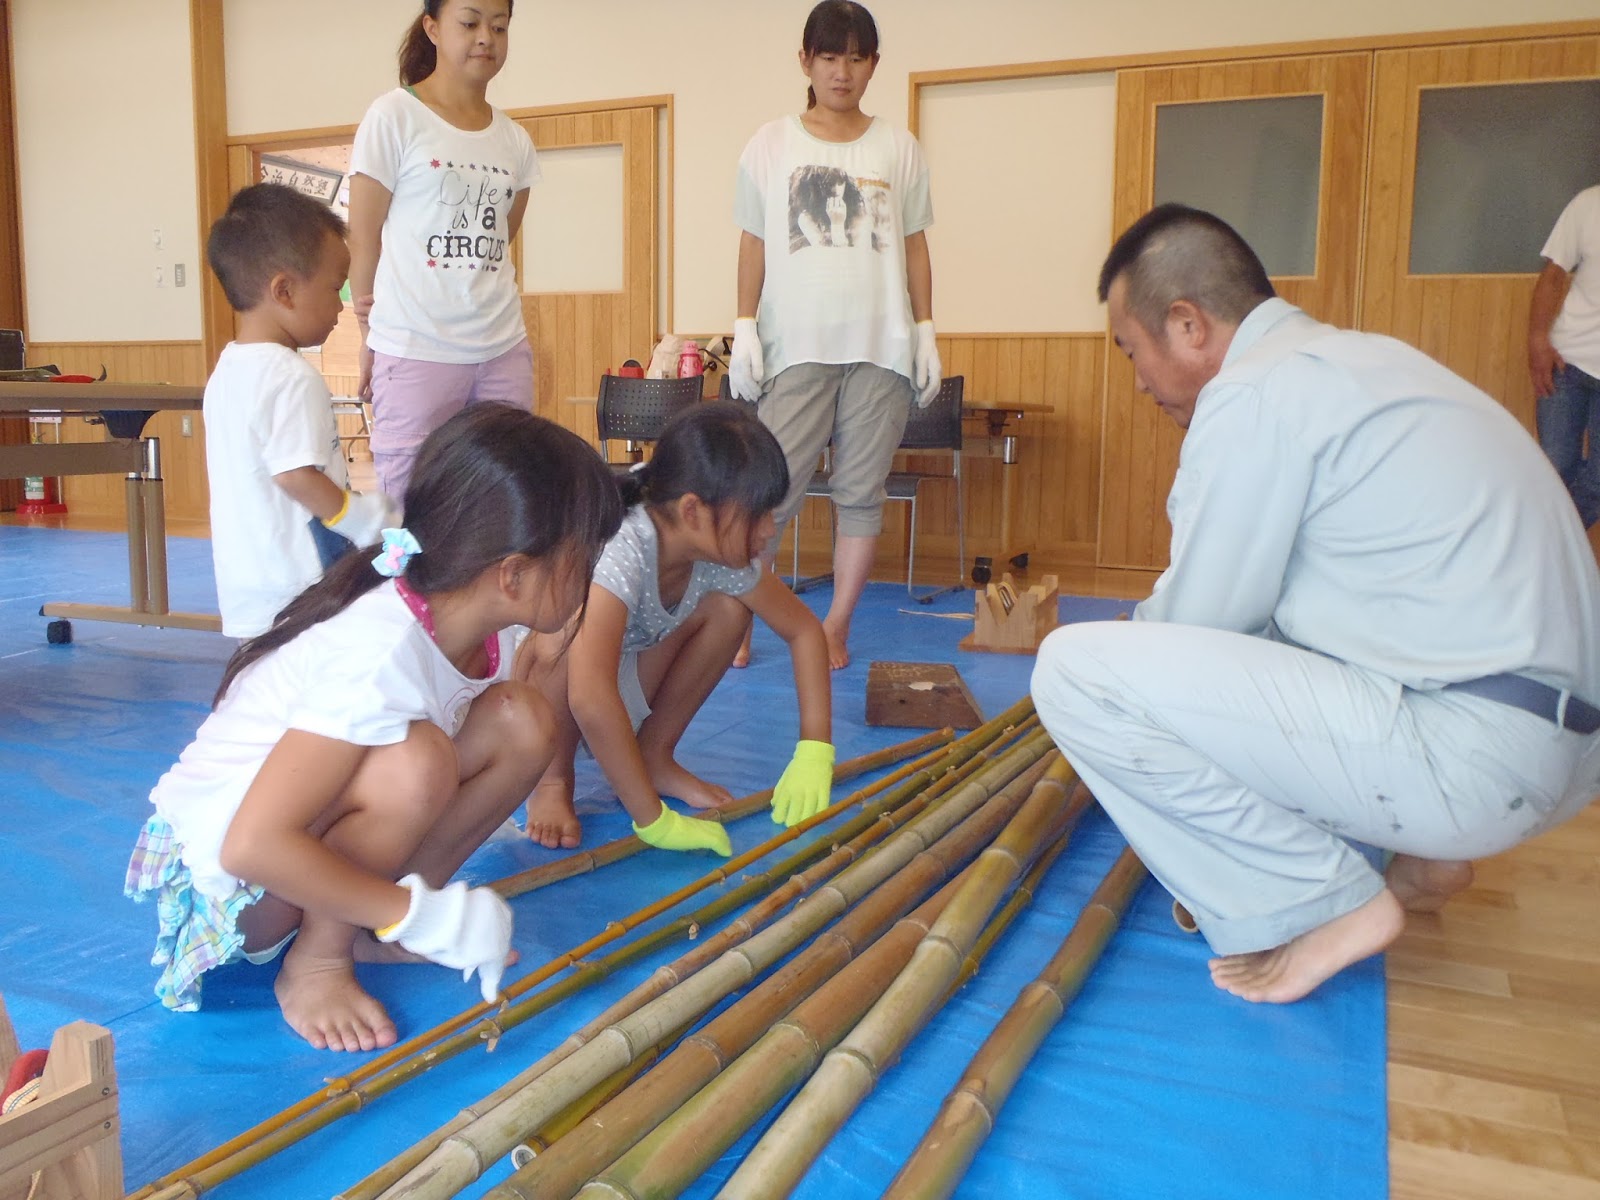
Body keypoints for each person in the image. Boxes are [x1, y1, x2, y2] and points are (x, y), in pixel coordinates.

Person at [1031, 204, 1600, 1006]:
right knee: (1288, 626)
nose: (1138, 381)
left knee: (1073, 672)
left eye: (1132, 350)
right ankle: (1426, 854)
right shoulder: (1367, 360)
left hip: (1479, 755)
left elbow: (1199, 624)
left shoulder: (1254, 394)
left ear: (1187, 324)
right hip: (1562, 755)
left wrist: (1126, 656)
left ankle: (1322, 904)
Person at [125, 406, 622, 1052]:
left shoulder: (477, 623)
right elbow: (249, 846)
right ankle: (317, 962)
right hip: (237, 897)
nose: (590, 577)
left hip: (296, 862)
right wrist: (421, 914)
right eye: (583, 558)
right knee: (419, 761)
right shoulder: (379, 651)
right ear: (513, 574)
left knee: (522, 720)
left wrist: (409, 914)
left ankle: (367, 929)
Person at [518, 401, 834, 852]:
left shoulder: (713, 545)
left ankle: (653, 756)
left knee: (730, 609)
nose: (769, 529)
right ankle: (551, 780)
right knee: (561, 637)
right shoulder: (622, 543)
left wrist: (815, 750)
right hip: (538, 693)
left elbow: (803, 631)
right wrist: (654, 820)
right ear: (693, 511)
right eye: (757, 514)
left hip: (615, 679)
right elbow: (589, 696)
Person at [728, 0, 940, 670]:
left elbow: (914, 245)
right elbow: (753, 242)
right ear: (806, 62)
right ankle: (740, 623)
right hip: (797, 345)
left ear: (873, 64)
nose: (841, 72)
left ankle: (836, 627)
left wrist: (925, 328)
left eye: (855, 58)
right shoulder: (770, 144)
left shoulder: (898, 148)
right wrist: (743, 324)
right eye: (828, 57)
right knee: (770, 492)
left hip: (882, 348)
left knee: (860, 493)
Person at [348, 0, 540, 501]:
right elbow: (363, 237)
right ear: (432, 28)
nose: (486, 38)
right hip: (416, 346)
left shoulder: (515, 141)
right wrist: (368, 334)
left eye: (500, 27)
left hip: (501, 347)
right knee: (409, 504)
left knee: (506, 498)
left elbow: (498, 241)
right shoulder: (394, 116)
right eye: (470, 23)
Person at [202, 183, 397, 639]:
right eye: (334, 288)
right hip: (301, 584)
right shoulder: (290, 376)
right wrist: (368, 521)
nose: (341, 306)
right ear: (284, 291)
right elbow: (295, 476)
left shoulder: (227, 370)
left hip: (248, 583)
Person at [1528, 184, 1600, 528]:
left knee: (1598, 485)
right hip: (1567, 363)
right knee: (1553, 472)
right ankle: (1548, 549)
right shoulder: (1589, 204)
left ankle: (1549, 546)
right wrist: (1537, 341)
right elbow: (1553, 277)